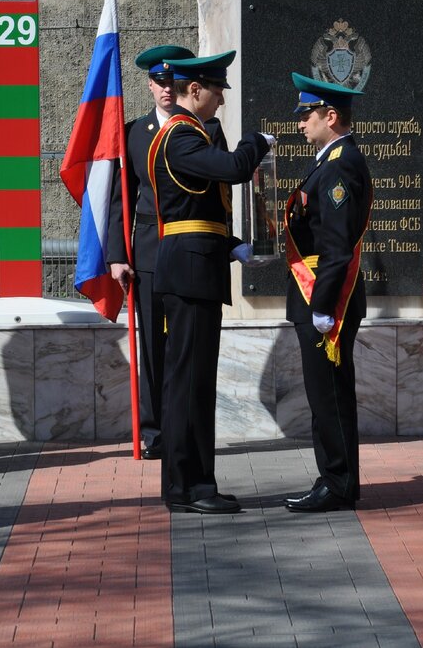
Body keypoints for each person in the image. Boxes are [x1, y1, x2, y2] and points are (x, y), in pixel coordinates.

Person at [149, 51, 273, 514]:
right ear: (194, 90)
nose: (221, 99)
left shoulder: (193, 135)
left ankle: (197, 482)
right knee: (187, 384)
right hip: (189, 273)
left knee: (195, 382)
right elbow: (233, 170)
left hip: (198, 267)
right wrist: (256, 143)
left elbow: (200, 212)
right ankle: (188, 487)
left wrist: (233, 245)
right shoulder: (181, 136)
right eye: (217, 90)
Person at [282, 73, 373, 514]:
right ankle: (337, 479)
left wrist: (322, 307)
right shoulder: (328, 159)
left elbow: (336, 246)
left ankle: (336, 483)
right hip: (320, 291)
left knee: (329, 395)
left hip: (325, 295)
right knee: (325, 394)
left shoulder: (338, 163)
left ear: (330, 116)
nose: (300, 123)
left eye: (307, 114)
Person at [107, 44, 196, 460]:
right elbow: (118, 200)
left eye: (173, 82)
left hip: (189, 250)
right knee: (153, 346)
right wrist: (116, 255)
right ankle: (154, 429)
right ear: (149, 85)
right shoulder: (131, 133)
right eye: (160, 82)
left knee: (187, 341)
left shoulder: (202, 130)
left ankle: (187, 425)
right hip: (146, 251)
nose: (166, 89)